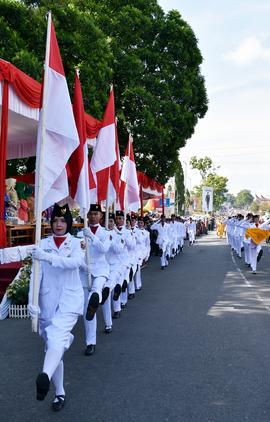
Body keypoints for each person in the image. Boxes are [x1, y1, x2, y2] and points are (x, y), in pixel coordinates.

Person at [28, 203, 84, 412]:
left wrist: (48, 257)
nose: (59, 224)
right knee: (53, 345)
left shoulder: (78, 243)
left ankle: (44, 376)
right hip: (47, 301)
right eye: (55, 221)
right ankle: (59, 392)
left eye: (63, 221)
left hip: (69, 300)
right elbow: (36, 275)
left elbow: (75, 263)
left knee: (57, 335)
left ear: (68, 223)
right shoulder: (41, 243)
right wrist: (31, 302)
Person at [80, 204, 111, 356]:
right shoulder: (80, 233)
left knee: (96, 289)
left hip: (100, 270)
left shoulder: (105, 233)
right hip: (85, 272)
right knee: (88, 309)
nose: (93, 216)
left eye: (96, 214)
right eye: (90, 214)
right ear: (87, 216)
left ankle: (98, 296)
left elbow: (103, 249)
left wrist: (91, 236)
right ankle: (90, 342)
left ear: (101, 216)